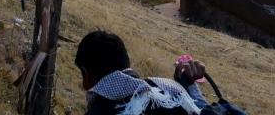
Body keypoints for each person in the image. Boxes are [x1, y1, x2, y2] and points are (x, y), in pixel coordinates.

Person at [75, 30, 212, 115]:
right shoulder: (169, 89)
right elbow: (203, 111)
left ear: (86, 75)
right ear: (126, 63)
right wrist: (189, 85)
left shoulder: (100, 110)